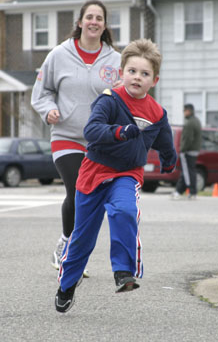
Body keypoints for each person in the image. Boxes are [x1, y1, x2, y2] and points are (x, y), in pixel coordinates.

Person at [54, 38, 177, 313]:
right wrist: (119, 132)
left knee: (124, 210)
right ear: (122, 72)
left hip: (127, 174)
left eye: (144, 74)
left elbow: (164, 137)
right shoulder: (110, 99)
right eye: (132, 71)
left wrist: (169, 158)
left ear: (154, 80)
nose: (137, 78)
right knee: (82, 238)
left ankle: (124, 271)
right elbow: (91, 130)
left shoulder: (157, 112)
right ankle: (67, 284)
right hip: (95, 173)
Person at [31, 0, 121, 276]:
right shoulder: (59, 55)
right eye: (89, 17)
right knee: (78, 188)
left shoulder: (116, 60)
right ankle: (67, 247)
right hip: (66, 135)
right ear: (80, 22)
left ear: (105, 25)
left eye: (99, 18)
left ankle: (71, 247)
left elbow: (124, 99)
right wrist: (50, 111)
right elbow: (41, 92)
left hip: (99, 141)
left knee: (90, 197)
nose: (94, 22)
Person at [172, 103, 202, 200]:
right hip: (194, 150)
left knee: (186, 172)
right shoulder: (197, 121)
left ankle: (189, 192)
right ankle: (181, 191)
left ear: (189, 111)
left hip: (188, 151)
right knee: (190, 171)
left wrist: (182, 150)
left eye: (184, 111)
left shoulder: (189, 123)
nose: (184, 113)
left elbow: (187, 138)